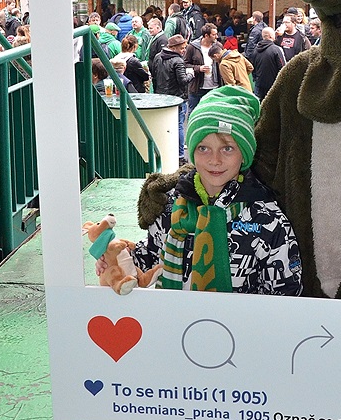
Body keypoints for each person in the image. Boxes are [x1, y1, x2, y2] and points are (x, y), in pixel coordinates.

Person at [126, 87, 303, 294]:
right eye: (203, 148)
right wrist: (122, 260)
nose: (214, 160)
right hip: (175, 323)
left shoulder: (268, 221)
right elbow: (151, 257)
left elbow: (287, 294)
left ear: (244, 155)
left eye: (227, 148)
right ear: (192, 151)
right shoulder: (169, 206)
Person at [151, 33, 191, 159]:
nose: (184, 50)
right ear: (173, 48)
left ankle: (164, 151)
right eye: (181, 48)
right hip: (178, 98)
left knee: (163, 125)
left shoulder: (158, 57)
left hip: (161, 96)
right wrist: (191, 74)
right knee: (178, 125)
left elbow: (154, 76)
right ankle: (180, 155)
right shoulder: (178, 61)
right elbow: (183, 81)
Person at [184, 24, 222, 114]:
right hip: (197, 86)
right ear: (206, 36)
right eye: (214, 34)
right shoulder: (192, 47)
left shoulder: (218, 46)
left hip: (214, 86)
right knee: (193, 112)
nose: (216, 36)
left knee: (212, 113)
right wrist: (198, 68)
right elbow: (184, 64)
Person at [251, 26, 286, 99]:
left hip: (259, 84)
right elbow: (283, 68)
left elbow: (252, 67)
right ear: (271, 36)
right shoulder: (276, 49)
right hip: (273, 85)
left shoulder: (255, 50)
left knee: (259, 107)